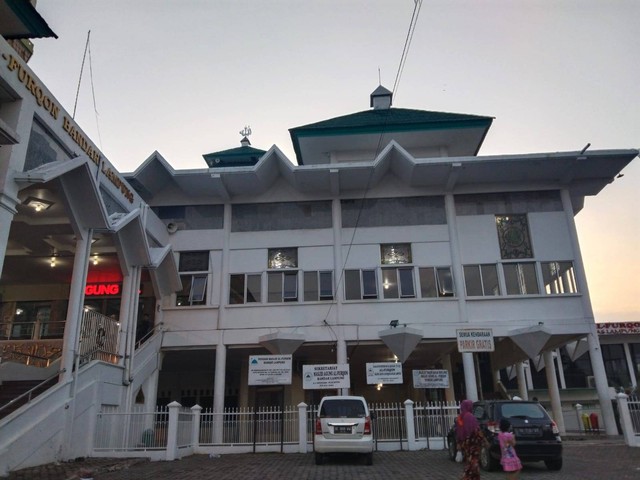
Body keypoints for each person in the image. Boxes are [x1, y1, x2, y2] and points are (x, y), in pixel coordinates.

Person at [456, 399, 485, 480]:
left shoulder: (460, 417)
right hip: (473, 443)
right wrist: (483, 440)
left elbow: (458, 431)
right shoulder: (470, 416)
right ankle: (466, 477)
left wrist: (459, 442)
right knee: (473, 463)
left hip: (465, 443)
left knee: (470, 461)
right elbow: (476, 430)